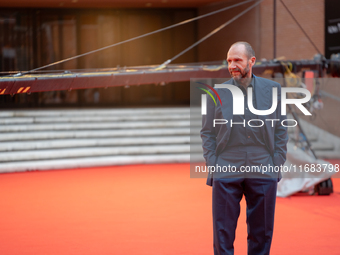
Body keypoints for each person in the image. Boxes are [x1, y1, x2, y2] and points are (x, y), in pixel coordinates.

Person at [200, 41, 288, 255]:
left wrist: (276, 162)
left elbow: (281, 129)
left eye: (237, 60)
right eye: (229, 61)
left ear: (251, 61)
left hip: (263, 163)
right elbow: (207, 132)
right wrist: (214, 164)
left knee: (263, 231)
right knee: (222, 231)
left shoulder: (274, 90)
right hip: (227, 163)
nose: (232, 65)